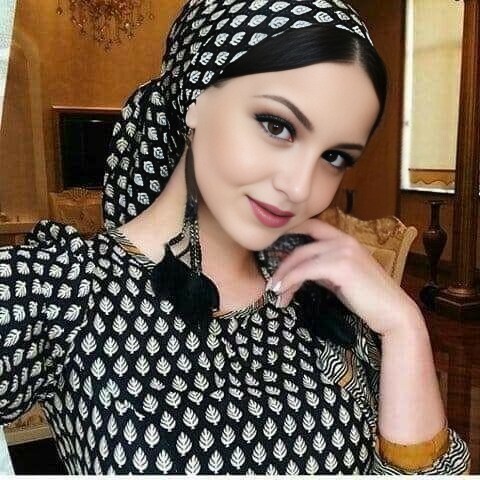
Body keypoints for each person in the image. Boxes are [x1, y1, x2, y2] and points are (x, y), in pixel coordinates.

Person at [0, 0, 471, 475]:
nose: (300, 187)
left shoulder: (322, 297)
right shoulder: (63, 286)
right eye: (277, 126)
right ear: (196, 100)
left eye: (334, 157)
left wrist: (404, 326)